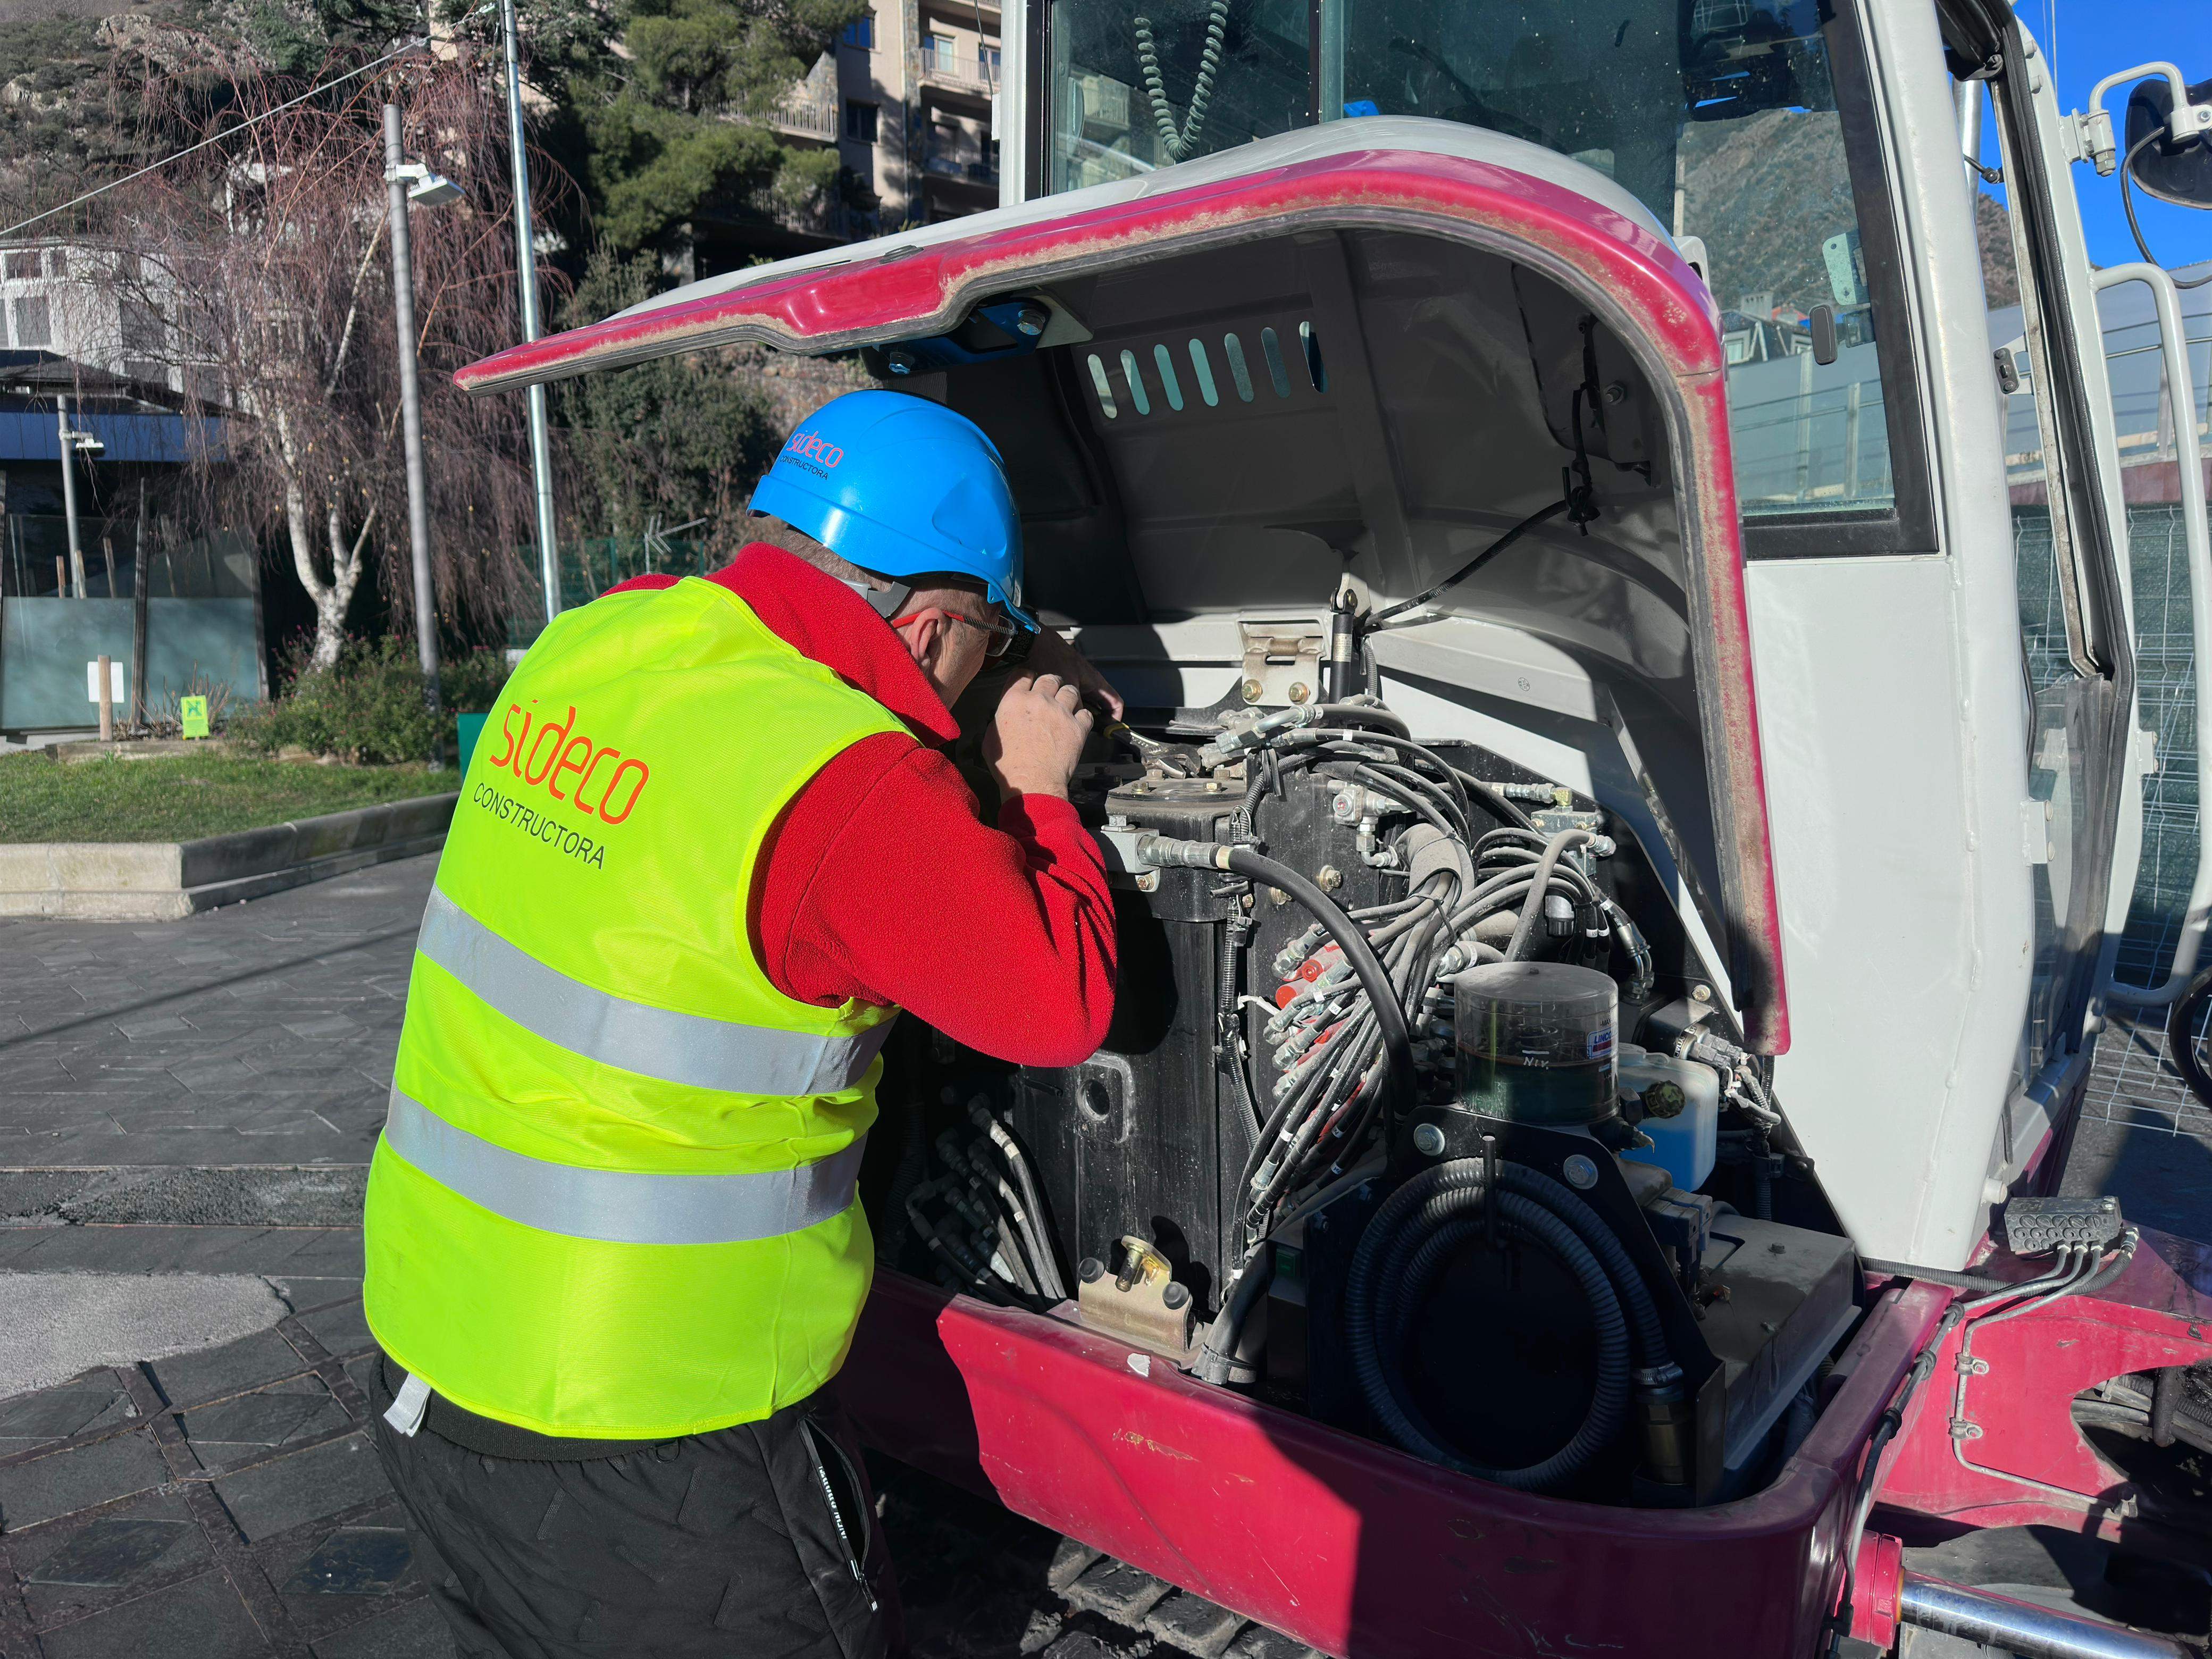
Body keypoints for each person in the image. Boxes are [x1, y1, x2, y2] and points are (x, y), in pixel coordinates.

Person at [362, 390, 1120, 1659]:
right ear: (932, 628)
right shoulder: (848, 780)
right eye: (988, 640)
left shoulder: (597, 641)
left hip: (430, 1347)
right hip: (646, 1425)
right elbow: (1057, 1003)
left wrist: (992, 694)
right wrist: (1037, 786)